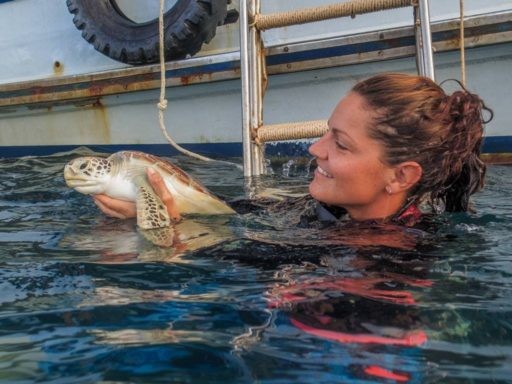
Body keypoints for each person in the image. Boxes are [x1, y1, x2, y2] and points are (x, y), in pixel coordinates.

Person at [93, 72, 492, 231]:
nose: (315, 148)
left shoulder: (388, 270)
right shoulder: (331, 210)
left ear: (401, 176)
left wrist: (171, 234)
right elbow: (233, 215)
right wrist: (156, 207)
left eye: (341, 143)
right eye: (325, 133)